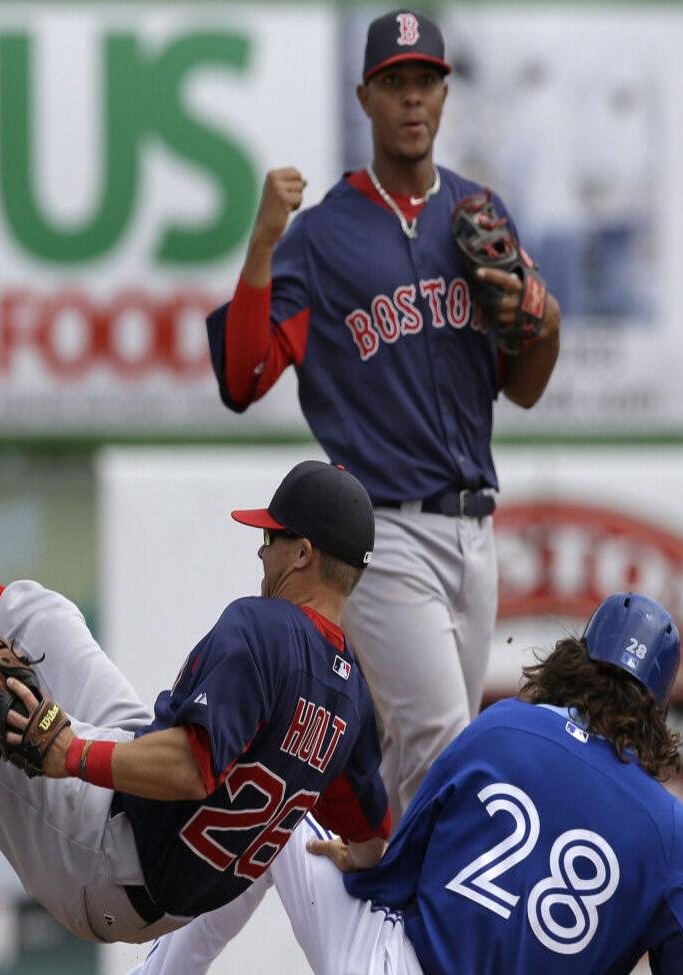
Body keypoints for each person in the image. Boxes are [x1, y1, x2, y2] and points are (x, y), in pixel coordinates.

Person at [0, 426, 391, 975]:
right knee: (43, 614)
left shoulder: (265, 627)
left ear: (303, 553)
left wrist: (71, 752)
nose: (262, 550)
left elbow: (190, 767)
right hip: (162, 861)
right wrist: (358, 860)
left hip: (114, 862)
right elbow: (373, 836)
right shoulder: (350, 694)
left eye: (273, 539)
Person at [206, 8, 563, 822]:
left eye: (425, 83)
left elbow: (528, 383)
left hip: (475, 531)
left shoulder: (479, 215)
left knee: (416, 751)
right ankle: (440, 935)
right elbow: (242, 375)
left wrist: (542, 319)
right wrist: (263, 244)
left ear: (444, 95)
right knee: (442, 740)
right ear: (364, 96)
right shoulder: (324, 235)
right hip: (383, 534)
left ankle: (385, 917)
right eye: (394, 83)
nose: (412, 100)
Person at [125, 593, 683, 975]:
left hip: (393, 967)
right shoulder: (673, 835)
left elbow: (395, 878)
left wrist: (358, 860)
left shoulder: (506, 727)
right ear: (657, 712)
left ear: (575, 659)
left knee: (276, 790)